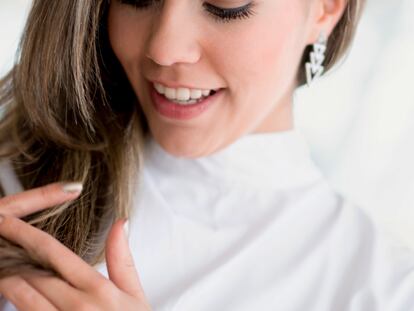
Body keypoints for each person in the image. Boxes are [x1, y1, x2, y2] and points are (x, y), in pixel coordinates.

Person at [1, 0, 413, 310]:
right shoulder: (14, 172)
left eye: (224, 6)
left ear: (325, 8)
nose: (164, 48)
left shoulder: (386, 289)